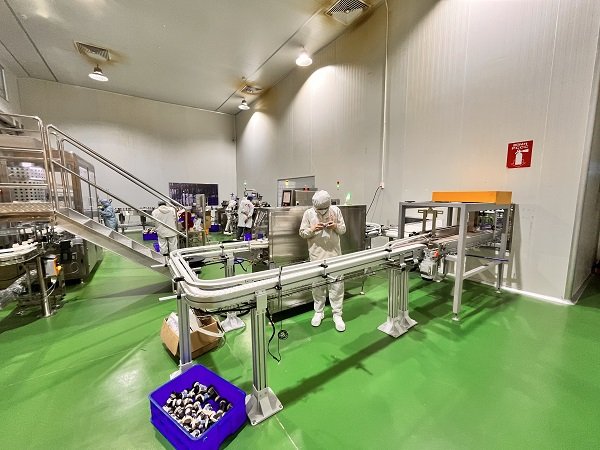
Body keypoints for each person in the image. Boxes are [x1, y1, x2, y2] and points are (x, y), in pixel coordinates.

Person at [299, 190, 347, 332]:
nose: (322, 212)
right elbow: (302, 233)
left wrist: (335, 226)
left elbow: (343, 230)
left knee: (337, 285)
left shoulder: (336, 211)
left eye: (324, 209)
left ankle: (337, 314)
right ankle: (319, 312)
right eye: (319, 210)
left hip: (335, 255)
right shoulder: (308, 214)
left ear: (329, 205)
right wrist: (312, 229)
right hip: (316, 256)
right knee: (318, 286)